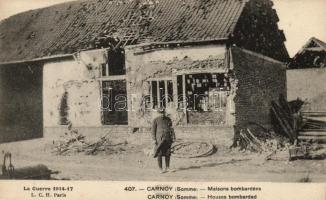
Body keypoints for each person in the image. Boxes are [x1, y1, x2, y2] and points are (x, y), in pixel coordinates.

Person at [152, 108, 176, 173]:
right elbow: (153, 131)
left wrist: (173, 137)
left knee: (168, 153)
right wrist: (154, 139)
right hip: (159, 139)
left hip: (167, 139)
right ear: (158, 113)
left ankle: (167, 167)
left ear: (164, 113)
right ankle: (160, 169)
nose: (162, 114)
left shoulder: (168, 119)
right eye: (160, 113)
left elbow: (171, 129)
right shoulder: (155, 120)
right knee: (159, 154)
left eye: (163, 113)